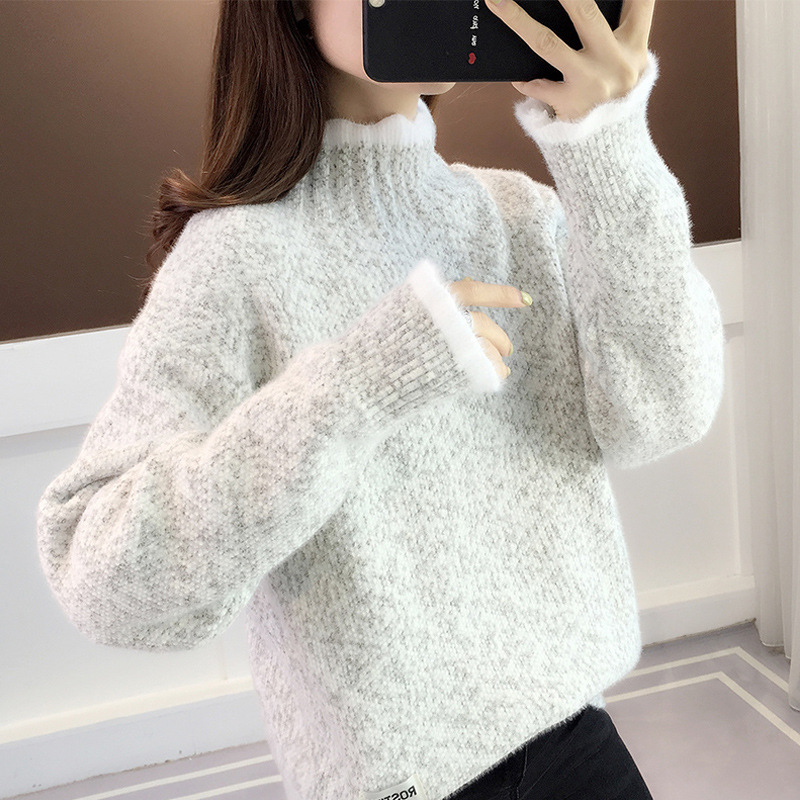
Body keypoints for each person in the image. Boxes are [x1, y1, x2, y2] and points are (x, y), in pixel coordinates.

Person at [36, 1, 724, 799]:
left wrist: (609, 145)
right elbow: (103, 582)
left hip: (576, 735)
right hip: (405, 783)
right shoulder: (234, 257)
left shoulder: (518, 214)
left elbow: (665, 411)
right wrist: (358, 384)